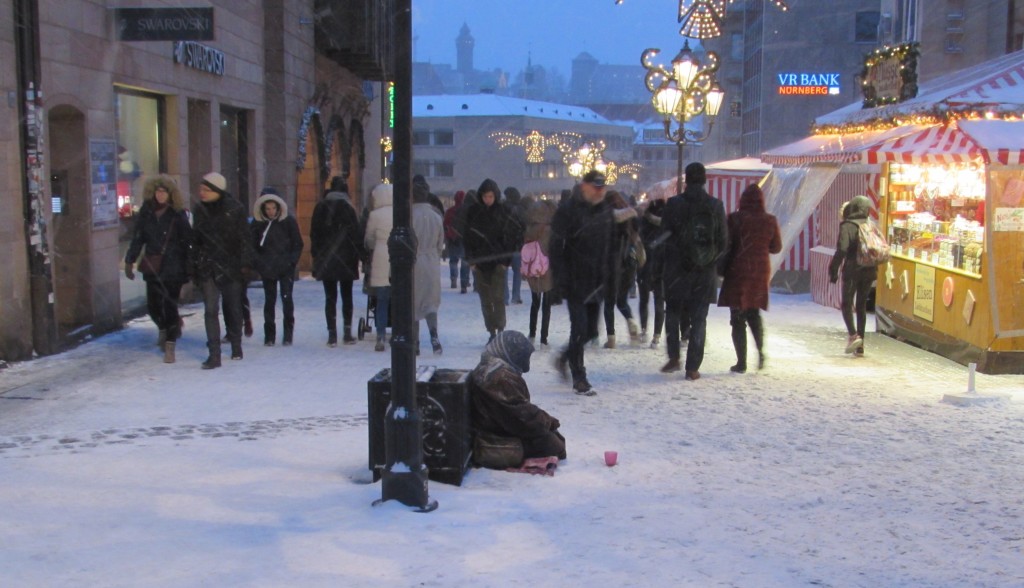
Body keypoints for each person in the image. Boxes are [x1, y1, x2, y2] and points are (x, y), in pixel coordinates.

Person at [660, 162, 728, 381]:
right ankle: (692, 368)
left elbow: (663, 239)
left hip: (676, 272)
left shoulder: (673, 204)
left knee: (672, 313)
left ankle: (673, 356)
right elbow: (723, 241)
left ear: (686, 180)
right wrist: (707, 259)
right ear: (705, 180)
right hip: (704, 272)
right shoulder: (716, 206)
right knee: (699, 319)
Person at [550, 171, 613, 396]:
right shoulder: (568, 211)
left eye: (603, 188)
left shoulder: (605, 210)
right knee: (579, 329)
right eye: (596, 187)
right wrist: (559, 280)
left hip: (597, 280)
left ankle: (563, 358)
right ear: (584, 186)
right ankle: (580, 377)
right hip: (575, 279)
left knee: (590, 332)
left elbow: (610, 247)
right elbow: (556, 248)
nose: (600, 191)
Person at [469, 330, 566, 464]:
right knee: (554, 444)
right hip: (491, 436)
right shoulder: (501, 378)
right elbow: (522, 418)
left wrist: (545, 422)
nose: (525, 364)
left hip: (494, 426)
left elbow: (519, 411)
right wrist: (547, 422)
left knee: (552, 437)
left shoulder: (494, 368)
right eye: (522, 357)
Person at [124, 175, 192, 364]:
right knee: (153, 306)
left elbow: (188, 241)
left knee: (170, 306)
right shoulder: (146, 213)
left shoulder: (177, 214)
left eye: (164, 191)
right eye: (158, 191)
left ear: (171, 194)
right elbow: (138, 238)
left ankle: (170, 345)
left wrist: (190, 266)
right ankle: (165, 327)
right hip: (153, 265)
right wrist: (130, 260)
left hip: (174, 267)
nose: (161, 195)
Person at [191, 172, 255, 369]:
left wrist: (245, 264)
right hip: (208, 265)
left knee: (232, 306)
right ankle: (214, 354)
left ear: (217, 191)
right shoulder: (200, 210)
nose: (202, 193)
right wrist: (194, 262)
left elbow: (245, 238)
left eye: (206, 190)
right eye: (201, 189)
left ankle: (236, 344)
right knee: (210, 309)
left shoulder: (235, 209)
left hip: (231, 265)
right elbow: (196, 239)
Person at [716, 184, 782, 372]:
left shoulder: (735, 219)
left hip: (738, 270)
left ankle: (741, 362)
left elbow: (727, 244)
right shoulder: (770, 220)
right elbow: (776, 247)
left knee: (737, 317)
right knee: (754, 313)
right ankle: (760, 351)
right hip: (759, 272)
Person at [310, 185, 364, 347]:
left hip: (327, 259)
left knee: (330, 297)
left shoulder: (320, 208)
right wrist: (359, 256)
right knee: (347, 296)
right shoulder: (349, 208)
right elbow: (356, 235)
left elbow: (314, 234)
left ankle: (332, 334)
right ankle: (347, 333)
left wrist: (317, 256)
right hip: (346, 259)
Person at [464, 178, 516, 342]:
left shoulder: (503, 212)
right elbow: (468, 237)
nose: (488, 200)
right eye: (486, 196)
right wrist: (472, 260)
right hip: (480, 262)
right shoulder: (474, 212)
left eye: (491, 196)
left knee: (498, 297)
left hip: (498, 261)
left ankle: (500, 328)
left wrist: (505, 261)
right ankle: (491, 331)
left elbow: (509, 237)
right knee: (485, 299)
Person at [251, 187, 303, 347]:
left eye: (273, 208)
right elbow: (252, 245)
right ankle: (269, 336)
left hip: (285, 267)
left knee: (286, 300)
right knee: (270, 301)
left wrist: (291, 262)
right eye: (268, 208)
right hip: (268, 267)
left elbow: (298, 243)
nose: (271, 211)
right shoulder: (258, 224)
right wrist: (260, 263)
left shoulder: (288, 222)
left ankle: (288, 334)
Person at [829, 194, 876, 357]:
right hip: (870, 270)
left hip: (852, 270)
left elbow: (842, 249)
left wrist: (833, 270)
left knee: (847, 304)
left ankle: (853, 335)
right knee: (861, 305)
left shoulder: (847, 226)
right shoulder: (870, 225)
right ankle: (860, 344)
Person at [602, 190, 641, 348]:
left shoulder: (605, 217)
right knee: (622, 300)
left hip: (611, 264)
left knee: (609, 303)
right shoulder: (631, 216)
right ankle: (631, 321)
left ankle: (611, 338)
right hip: (628, 263)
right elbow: (637, 235)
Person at [411, 181, 446, 355]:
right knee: (430, 302)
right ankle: (434, 335)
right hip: (431, 261)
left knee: (414, 303)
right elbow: (440, 244)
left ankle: (415, 342)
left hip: (414, 261)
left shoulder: (408, 216)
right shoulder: (436, 216)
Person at [522, 197, 557, 346]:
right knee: (546, 305)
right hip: (548, 269)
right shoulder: (551, 229)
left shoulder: (530, 229)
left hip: (533, 269)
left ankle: (531, 333)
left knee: (535, 303)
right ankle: (544, 338)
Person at [363, 183, 393, 352]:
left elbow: (369, 239)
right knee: (397, 300)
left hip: (380, 256)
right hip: (396, 258)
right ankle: (398, 332)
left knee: (381, 300)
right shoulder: (400, 213)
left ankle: (380, 334)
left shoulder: (375, 215)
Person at [637, 197, 668, 348]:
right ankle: (656, 336)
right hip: (662, 267)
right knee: (659, 301)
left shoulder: (644, 221)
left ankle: (643, 330)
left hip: (645, 265)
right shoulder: (667, 223)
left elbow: (639, 242)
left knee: (644, 300)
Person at [443, 190, 471, 293]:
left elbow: (445, 224)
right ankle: (464, 282)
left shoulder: (450, 211)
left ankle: (453, 279)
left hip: (452, 238)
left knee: (453, 260)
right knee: (464, 261)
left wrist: (448, 235)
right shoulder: (467, 210)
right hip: (464, 239)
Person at [503, 186, 527, 305]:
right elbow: (525, 227)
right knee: (517, 271)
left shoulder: (502, 208)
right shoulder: (521, 210)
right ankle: (516, 295)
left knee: (504, 271)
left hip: (505, 245)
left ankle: (504, 297)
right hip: (518, 244)